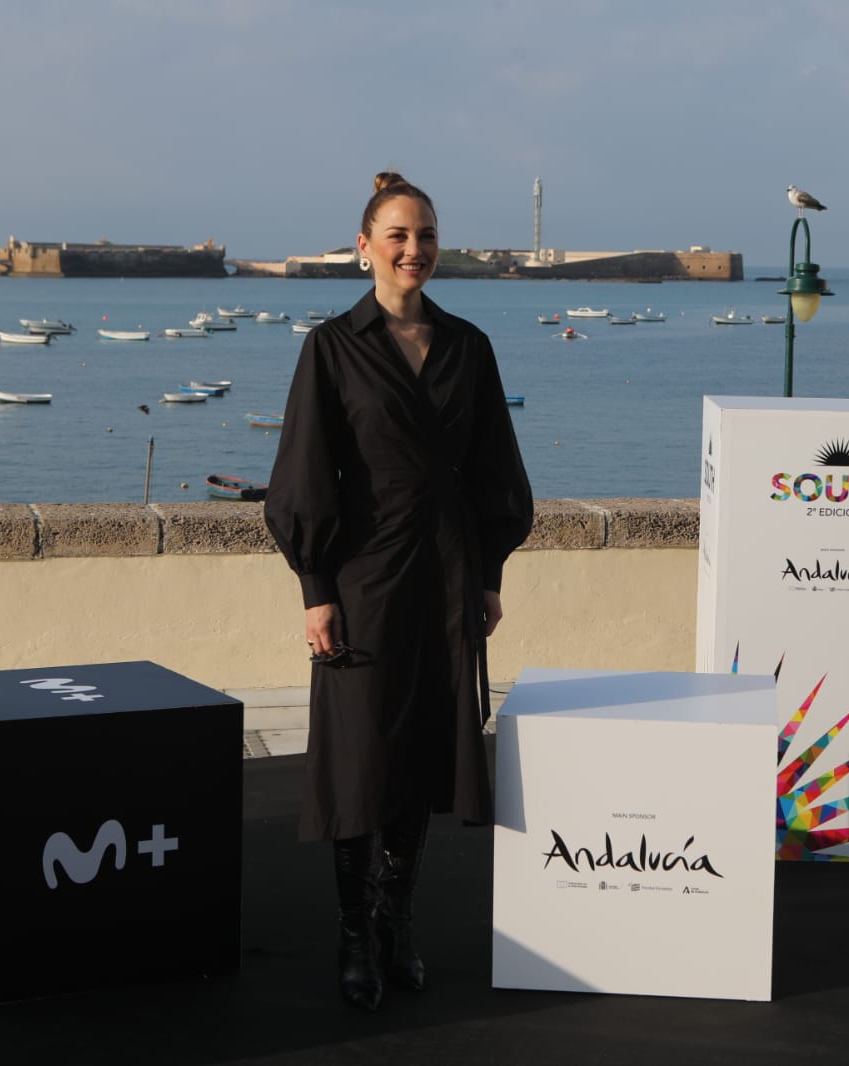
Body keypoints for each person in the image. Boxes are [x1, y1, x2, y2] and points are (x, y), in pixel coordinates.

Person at [264, 172, 534, 1011]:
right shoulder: (331, 347)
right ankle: (352, 935)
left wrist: (487, 575)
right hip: (363, 577)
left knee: (417, 761)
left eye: (426, 235)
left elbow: (495, 467)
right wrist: (316, 590)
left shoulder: (468, 347)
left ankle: (394, 924)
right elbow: (303, 475)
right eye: (398, 235)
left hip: (447, 577)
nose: (414, 249)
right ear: (364, 246)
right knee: (357, 764)